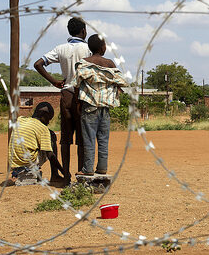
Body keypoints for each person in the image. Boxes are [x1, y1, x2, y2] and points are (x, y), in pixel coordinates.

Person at [34, 18, 90, 177]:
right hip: (82, 96)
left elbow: (38, 64)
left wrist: (54, 81)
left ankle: (66, 175)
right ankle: (81, 174)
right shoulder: (88, 49)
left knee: (65, 139)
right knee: (82, 140)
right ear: (84, 31)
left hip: (66, 95)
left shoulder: (60, 48)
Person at [73, 34, 128, 176]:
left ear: (90, 47)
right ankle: (102, 167)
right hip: (105, 108)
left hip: (89, 106)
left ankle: (88, 169)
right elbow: (121, 82)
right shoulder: (110, 64)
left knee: (89, 140)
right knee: (103, 140)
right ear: (103, 48)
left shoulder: (83, 63)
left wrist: (77, 102)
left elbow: (76, 85)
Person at [7, 102, 69, 185]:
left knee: (36, 142)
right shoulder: (43, 128)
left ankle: (18, 171)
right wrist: (64, 172)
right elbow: (50, 155)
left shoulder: (20, 119)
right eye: (49, 119)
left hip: (14, 161)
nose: (48, 122)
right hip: (27, 161)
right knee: (51, 137)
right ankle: (55, 175)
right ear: (44, 115)